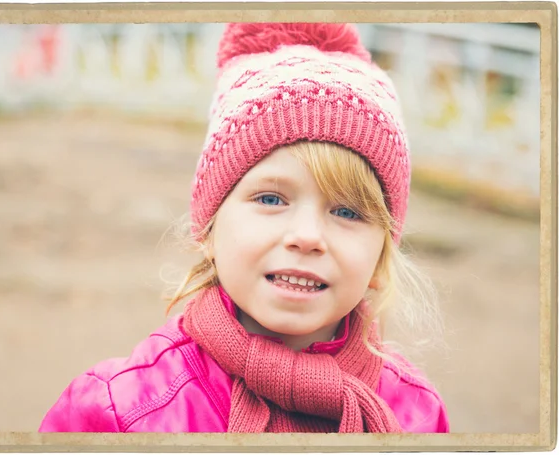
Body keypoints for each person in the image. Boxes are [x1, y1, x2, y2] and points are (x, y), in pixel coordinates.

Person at [39, 23, 449, 433]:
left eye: (347, 212)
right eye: (271, 199)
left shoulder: (416, 415)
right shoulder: (124, 412)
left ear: (381, 254)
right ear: (210, 228)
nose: (306, 236)